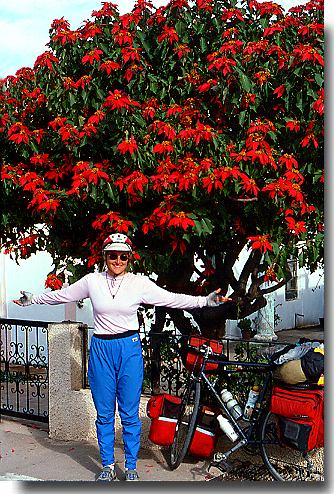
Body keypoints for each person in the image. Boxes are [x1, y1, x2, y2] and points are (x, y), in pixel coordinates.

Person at [14, 232, 232, 482]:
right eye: (112, 255)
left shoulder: (139, 283)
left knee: (128, 414)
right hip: (101, 350)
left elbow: (171, 299)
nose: (117, 260)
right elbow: (63, 295)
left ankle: (130, 466)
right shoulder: (91, 281)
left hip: (128, 349)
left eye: (123, 256)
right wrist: (32, 299)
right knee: (104, 413)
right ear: (105, 256)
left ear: (129, 257)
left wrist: (205, 301)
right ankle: (107, 464)